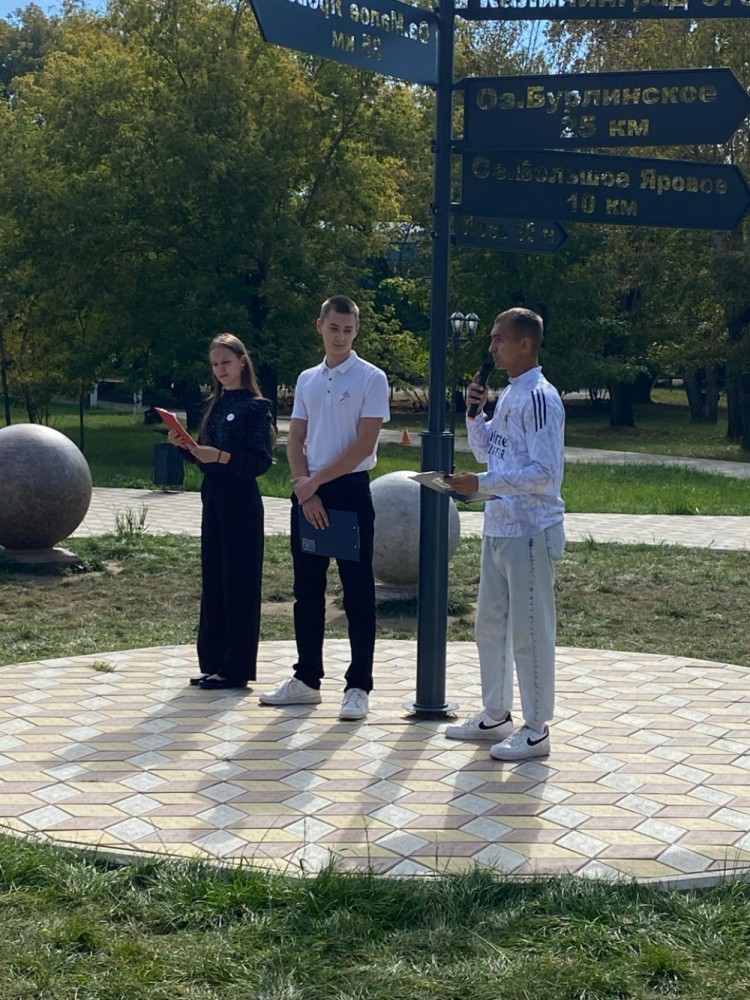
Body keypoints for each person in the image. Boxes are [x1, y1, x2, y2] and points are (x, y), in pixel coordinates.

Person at [259, 295, 390, 721]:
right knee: (307, 590)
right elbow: (296, 438)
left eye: (348, 330)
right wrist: (305, 489)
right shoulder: (307, 379)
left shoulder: (372, 378)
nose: (340, 337)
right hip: (308, 492)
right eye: (334, 328)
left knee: (358, 592)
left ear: (356, 331)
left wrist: (316, 483)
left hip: (349, 490)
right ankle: (307, 678)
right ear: (320, 326)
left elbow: (364, 445)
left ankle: (358, 686)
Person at [443, 307, 565, 761]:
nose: (491, 347)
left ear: (525, 343)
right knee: (490, 625)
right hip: (498, 524)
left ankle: (536, 728)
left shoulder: (540, 397)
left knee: (530, 630)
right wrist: (475, 412)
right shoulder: (511, 393)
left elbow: (544, 473)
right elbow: (486, 450)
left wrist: (480, 483)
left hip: (531, 528)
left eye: (499, 339)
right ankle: (496, 713)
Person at [167, 333, 275, 690]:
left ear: (242, 361)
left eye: (226, 362)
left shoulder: (255, 407)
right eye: (215, 364)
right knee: (214, 578)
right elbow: (205, 458)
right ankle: (213, 662)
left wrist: (221, 457)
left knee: (239, 582)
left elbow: (259, 462)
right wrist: (186, 447)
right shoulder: (213, 404)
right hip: (213, 497)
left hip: (241, 501)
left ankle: (236, 667)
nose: (220, 369)